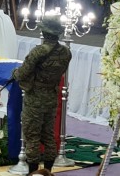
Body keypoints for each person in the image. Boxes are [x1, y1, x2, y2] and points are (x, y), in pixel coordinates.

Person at [11, 15, 72, 174]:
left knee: (32, 137)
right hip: (51, 98)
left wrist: (15, 73)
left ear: (44, 33)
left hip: (35, 100)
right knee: (48, 136)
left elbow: (23, 73)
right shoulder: (66, 52)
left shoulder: (38, 51)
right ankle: (48, 172)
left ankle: (33, 173)